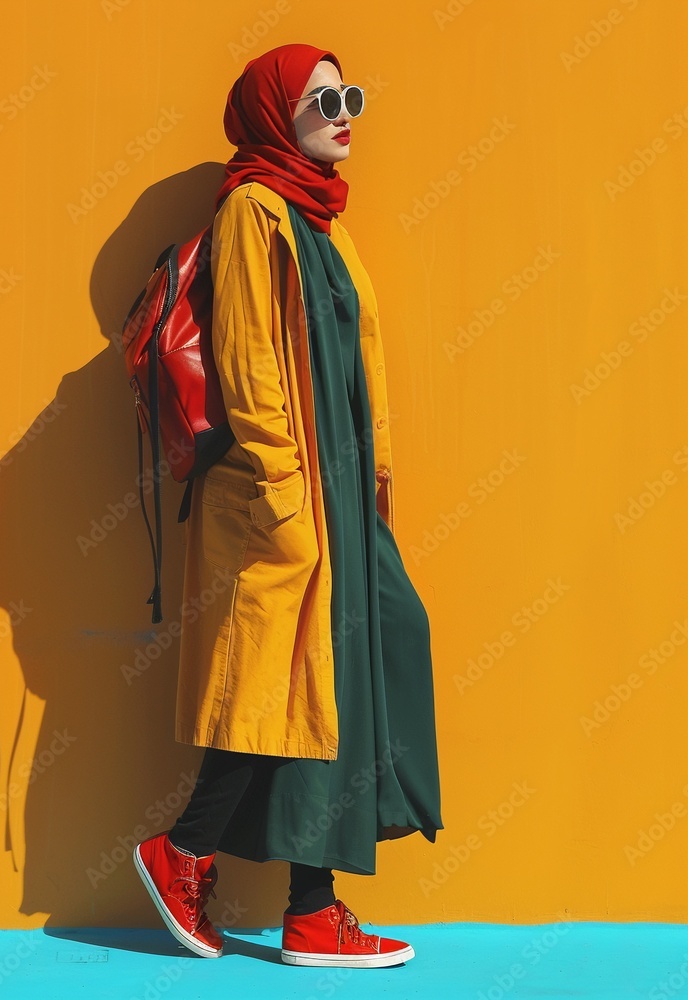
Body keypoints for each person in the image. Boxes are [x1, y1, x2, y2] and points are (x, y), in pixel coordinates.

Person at [132, 43, 443, 968]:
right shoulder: (254, 212)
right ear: (274, 113)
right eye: (323, 99)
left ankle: (313, 911)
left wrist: (368, 486)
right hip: (287, 490)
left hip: (343, 489)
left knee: (339, 687)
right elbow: (250, 366)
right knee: (279, 685)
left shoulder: (326, 225)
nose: (344, 112)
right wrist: (282, 491)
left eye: (351, 97)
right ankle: (183, 849)